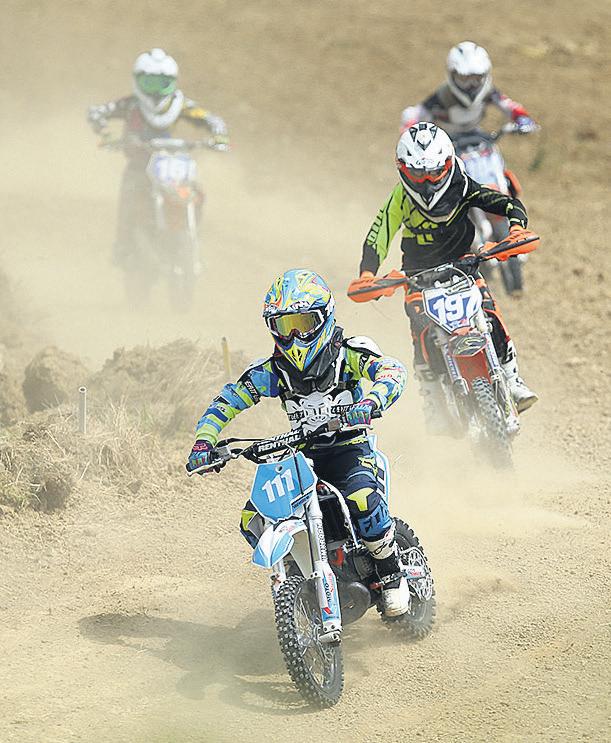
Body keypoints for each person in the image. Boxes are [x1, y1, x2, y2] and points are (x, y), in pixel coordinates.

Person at [186, 269, 411, 617]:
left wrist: (371, 401)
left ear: (324, 318)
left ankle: (391, 572)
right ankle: (301, 574)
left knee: (362, 498)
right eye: (284, 325)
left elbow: (392, 371)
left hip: (349, 450)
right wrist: (205, 442)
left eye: (303, 323)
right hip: (302, 458)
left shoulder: (348, 354)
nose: (294, 336)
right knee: (253, 518)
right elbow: (228, 401)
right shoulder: (272, 372)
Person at [351, 122, 539, 433]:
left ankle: (512, 377)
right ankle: (432, 398)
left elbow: (504, 202)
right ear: (402, 168)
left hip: (463, 264)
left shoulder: (461, 184)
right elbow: (378, 235)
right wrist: (367, 273)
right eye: (418, 174)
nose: (427, 181)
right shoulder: (400, 197)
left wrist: (516, 228)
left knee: (490, 312)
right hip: (417, 274)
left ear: (449, 164)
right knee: (419, 330)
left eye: (434, 172)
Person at [87, 48, 229, 266]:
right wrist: (106, 135)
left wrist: (219, 136)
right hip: (139, 165)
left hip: (171, 162)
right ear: (138, 80)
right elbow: (97, 112)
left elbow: (211, 119)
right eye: (149, 83)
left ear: (173, 82)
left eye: (162, 84)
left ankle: (193, 234)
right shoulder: (130, 104)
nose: (155, 91)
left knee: (196, 191)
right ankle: (123, 247)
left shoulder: (180, 104)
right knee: (128, 200)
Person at [400, 41, 538, 136]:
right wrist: (410, 129)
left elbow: (509, 105)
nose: (471, 85)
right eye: (464, 78)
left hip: (477, 139)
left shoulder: (489, 92)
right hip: (446, 145)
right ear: (452, 75)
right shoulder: (443, 96)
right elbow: (414, 114)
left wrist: (522, 118)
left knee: (502, 169)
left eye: (477, 78)